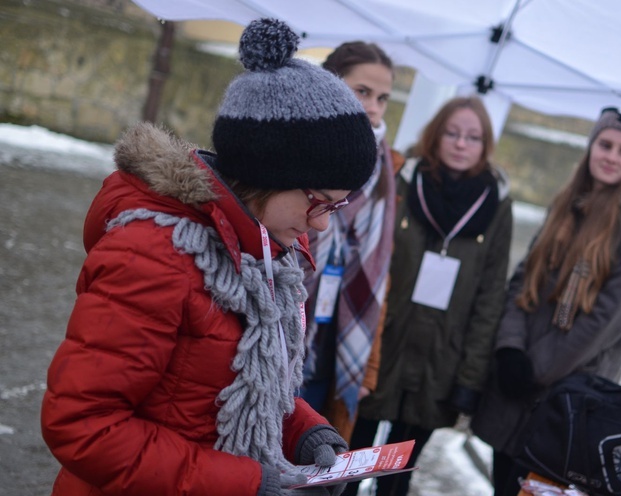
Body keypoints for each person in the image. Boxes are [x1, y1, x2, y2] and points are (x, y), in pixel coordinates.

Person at [40, 18, 378, 496]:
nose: (322, 222)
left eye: (336, 206)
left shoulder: (266, 250)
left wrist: (305, 432)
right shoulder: (155, 255)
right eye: (319, 201)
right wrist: (246, 481)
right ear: (268, 171)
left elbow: (232, 383)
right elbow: (82, 426)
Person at [470, 107, 621, 496]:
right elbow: (523, 280)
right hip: (516, 384)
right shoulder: (568, 201)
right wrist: (510, 350)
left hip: (568, 396)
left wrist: (537, 369)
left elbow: (608, 318)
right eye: (605, 145)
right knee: (502, 484)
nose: (611, 156)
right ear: (591, 147)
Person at [343, 96, 514, 496]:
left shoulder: (496, 203)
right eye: (452, 133)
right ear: (436, 135)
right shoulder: (404, 180)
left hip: (441, 358)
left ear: (485, 143)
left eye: (472, 137)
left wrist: (469, 377)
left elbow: (490, 296)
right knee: (351, 460)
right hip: (384, 346)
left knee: (398, 475)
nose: (460, 144)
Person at [299, 41, 402, 443]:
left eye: (383, 98)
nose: (374, 106)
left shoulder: (387, 172)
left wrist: (366, 367)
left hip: (334, 350)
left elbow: (380, 278)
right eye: (362, 91)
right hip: (281, 335)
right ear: (330, 84)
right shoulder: (294, 147)